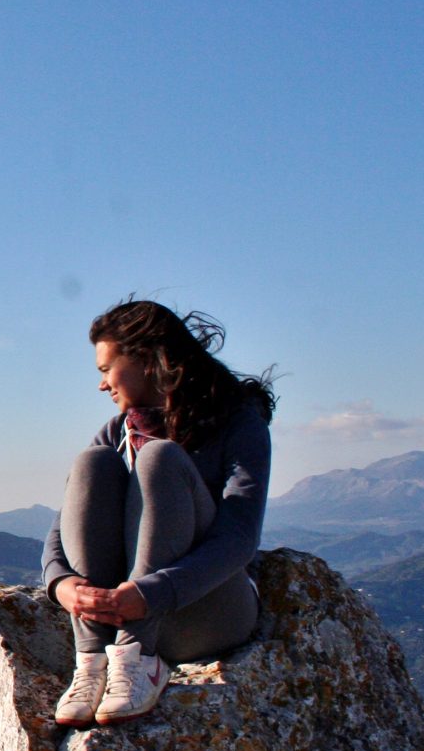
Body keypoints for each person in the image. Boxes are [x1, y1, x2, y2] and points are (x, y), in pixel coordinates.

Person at [43, 299, 276, 727]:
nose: (101, 385)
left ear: (149, 361)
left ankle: (139, 660)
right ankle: (92, 659)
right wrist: (64, 586)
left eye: (105, 369)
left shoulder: (239, 423)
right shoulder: (117, 431)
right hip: (117, 616)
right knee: (90, 464)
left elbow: (239, 538)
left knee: (159, 459)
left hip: (205, 613)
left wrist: (151, 593)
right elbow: (61, 531)